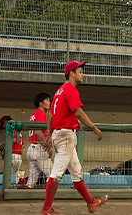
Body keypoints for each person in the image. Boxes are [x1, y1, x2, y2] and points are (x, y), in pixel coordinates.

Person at [41, 60, 107, 215]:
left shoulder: (59, 91)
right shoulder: (70, 89)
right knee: (57, 173)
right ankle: (46, 209)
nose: (82, 74)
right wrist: (94, 128)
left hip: (60, 134)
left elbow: (50, 115)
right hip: (65, 135)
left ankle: (91, 202)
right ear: (72, 73)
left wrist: (50, 135)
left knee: (76, 171)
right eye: (80, 71)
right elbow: (78, 112)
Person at [26, 92, 53, 189]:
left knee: (31, 181)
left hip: (31, 149)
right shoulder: (40, 114)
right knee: (53, 173)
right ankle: (48, 196)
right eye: (47, 100)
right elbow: (38, 133)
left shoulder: (33, 114)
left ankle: (25, 198)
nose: (49, 103)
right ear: (40, 103)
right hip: (38, 148)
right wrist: (48, 147)